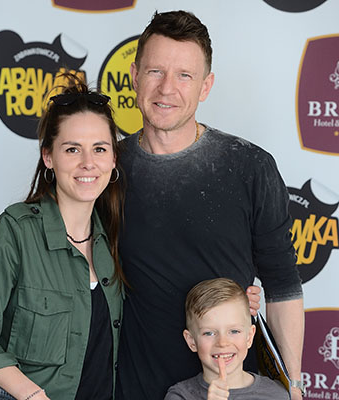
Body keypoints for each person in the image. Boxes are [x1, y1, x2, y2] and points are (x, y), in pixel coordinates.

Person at [116, 10, 304, 400]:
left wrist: (295, 385)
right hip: (133, 388)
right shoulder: (105, 170)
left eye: (184, 75)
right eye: (155, 71)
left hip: (233, 391)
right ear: (134, 75)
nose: (167, 88)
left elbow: (282, 285)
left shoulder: (250, 166)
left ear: (206, 86)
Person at [0, 73, 125, 400]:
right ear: (48, 157)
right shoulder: (16, 232)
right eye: (72, 149)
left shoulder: (116, 239)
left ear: (113, 159)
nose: (88, 163)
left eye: (99, 149)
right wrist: (31, 394)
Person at [164, 278, 290, 400]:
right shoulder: (180, 395)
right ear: (191, 341)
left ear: (249, 337)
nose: (222, 343)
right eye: (209, 333)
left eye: (234, 331)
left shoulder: (277, 395)